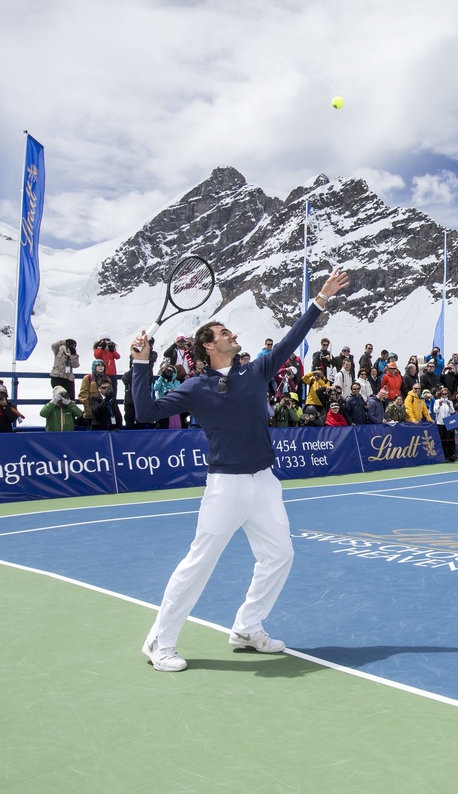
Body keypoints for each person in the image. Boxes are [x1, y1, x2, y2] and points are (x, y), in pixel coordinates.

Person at [130, 267, 349, 673]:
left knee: (280, 554)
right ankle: (159, 641)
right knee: (199, 563)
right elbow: (145, 411)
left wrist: (320, 299)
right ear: (209, 347)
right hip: (226, 487)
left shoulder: (256, 371)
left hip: (265, 483)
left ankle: (248, 628)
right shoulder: (196, 387)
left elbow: (291, 340)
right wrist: (140, 363)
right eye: (224, 332)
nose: (233, 334)